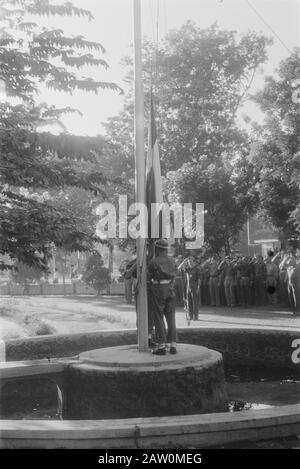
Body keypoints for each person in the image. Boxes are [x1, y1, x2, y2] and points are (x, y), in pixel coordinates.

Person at [149, 239, 177, 355]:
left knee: (158, 317)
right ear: (166, 249)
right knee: (171, 318)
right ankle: (173, 345)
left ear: (158, 249)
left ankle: (161, 346)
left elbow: (148, 277)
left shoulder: (153, 262)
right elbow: (174, 276)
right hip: (170, 289)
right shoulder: (172, 260)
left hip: (159, 289)